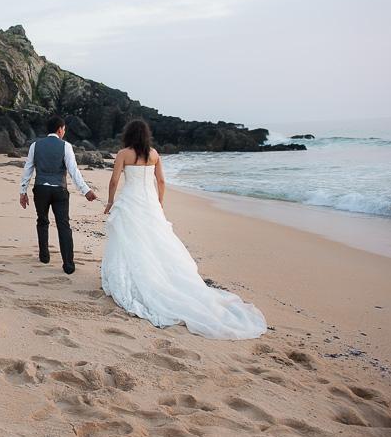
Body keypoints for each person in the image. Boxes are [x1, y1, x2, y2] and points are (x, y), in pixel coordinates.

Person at [101, 119, 267, 339]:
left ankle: (130, 276)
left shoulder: (123, 154)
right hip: (149, 202)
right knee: (154, 240)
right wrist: (159, 202)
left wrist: (111, 202)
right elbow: (161, 181)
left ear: (129, 134)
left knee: (130, 239)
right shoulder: (154, 154)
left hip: (131, 201)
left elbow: (114, 181)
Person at [19, 115, 97, 274]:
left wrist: (23, 192)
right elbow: (74, 171)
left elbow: (28, 169)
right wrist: (85, 190)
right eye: (64, 129)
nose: (64, 132)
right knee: (63, 225)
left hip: (40, 189)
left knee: (42, 221)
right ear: (60, 129)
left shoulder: (35, 145)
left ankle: (44, 256)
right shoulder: (66, 146)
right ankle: (68, 264)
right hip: (59, 190)